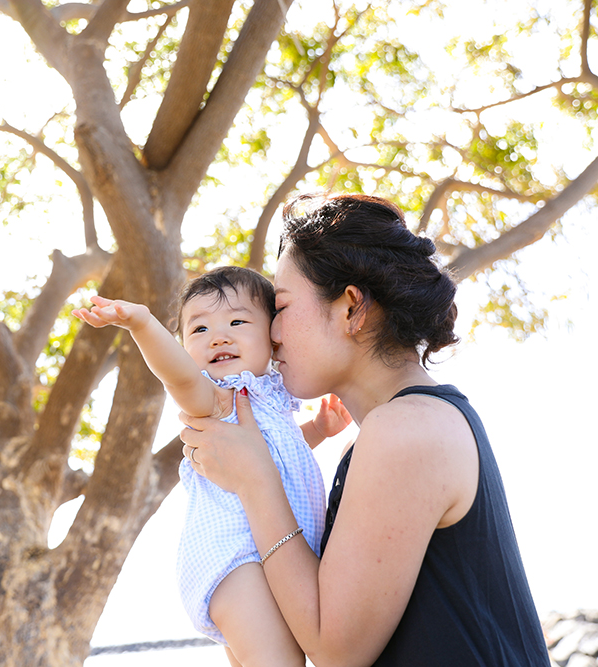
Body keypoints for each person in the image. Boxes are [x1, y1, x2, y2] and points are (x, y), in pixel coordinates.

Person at [178, 193, 551, 667]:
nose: (271, 333)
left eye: (283, 307)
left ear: (351, 307)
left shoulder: (408, 429)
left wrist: (255, 479)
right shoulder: (394, 428)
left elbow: (335, 649)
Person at [73, 266, 352, 667]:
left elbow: (277, 456)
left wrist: (318, 430)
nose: (218, 336)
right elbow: (178, 377)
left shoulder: (270, 400)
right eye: (199, 330)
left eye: (237, 321)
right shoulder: (216, 400)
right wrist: (142, 324)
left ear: (273, 338)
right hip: (237, 560)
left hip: (271, 560)